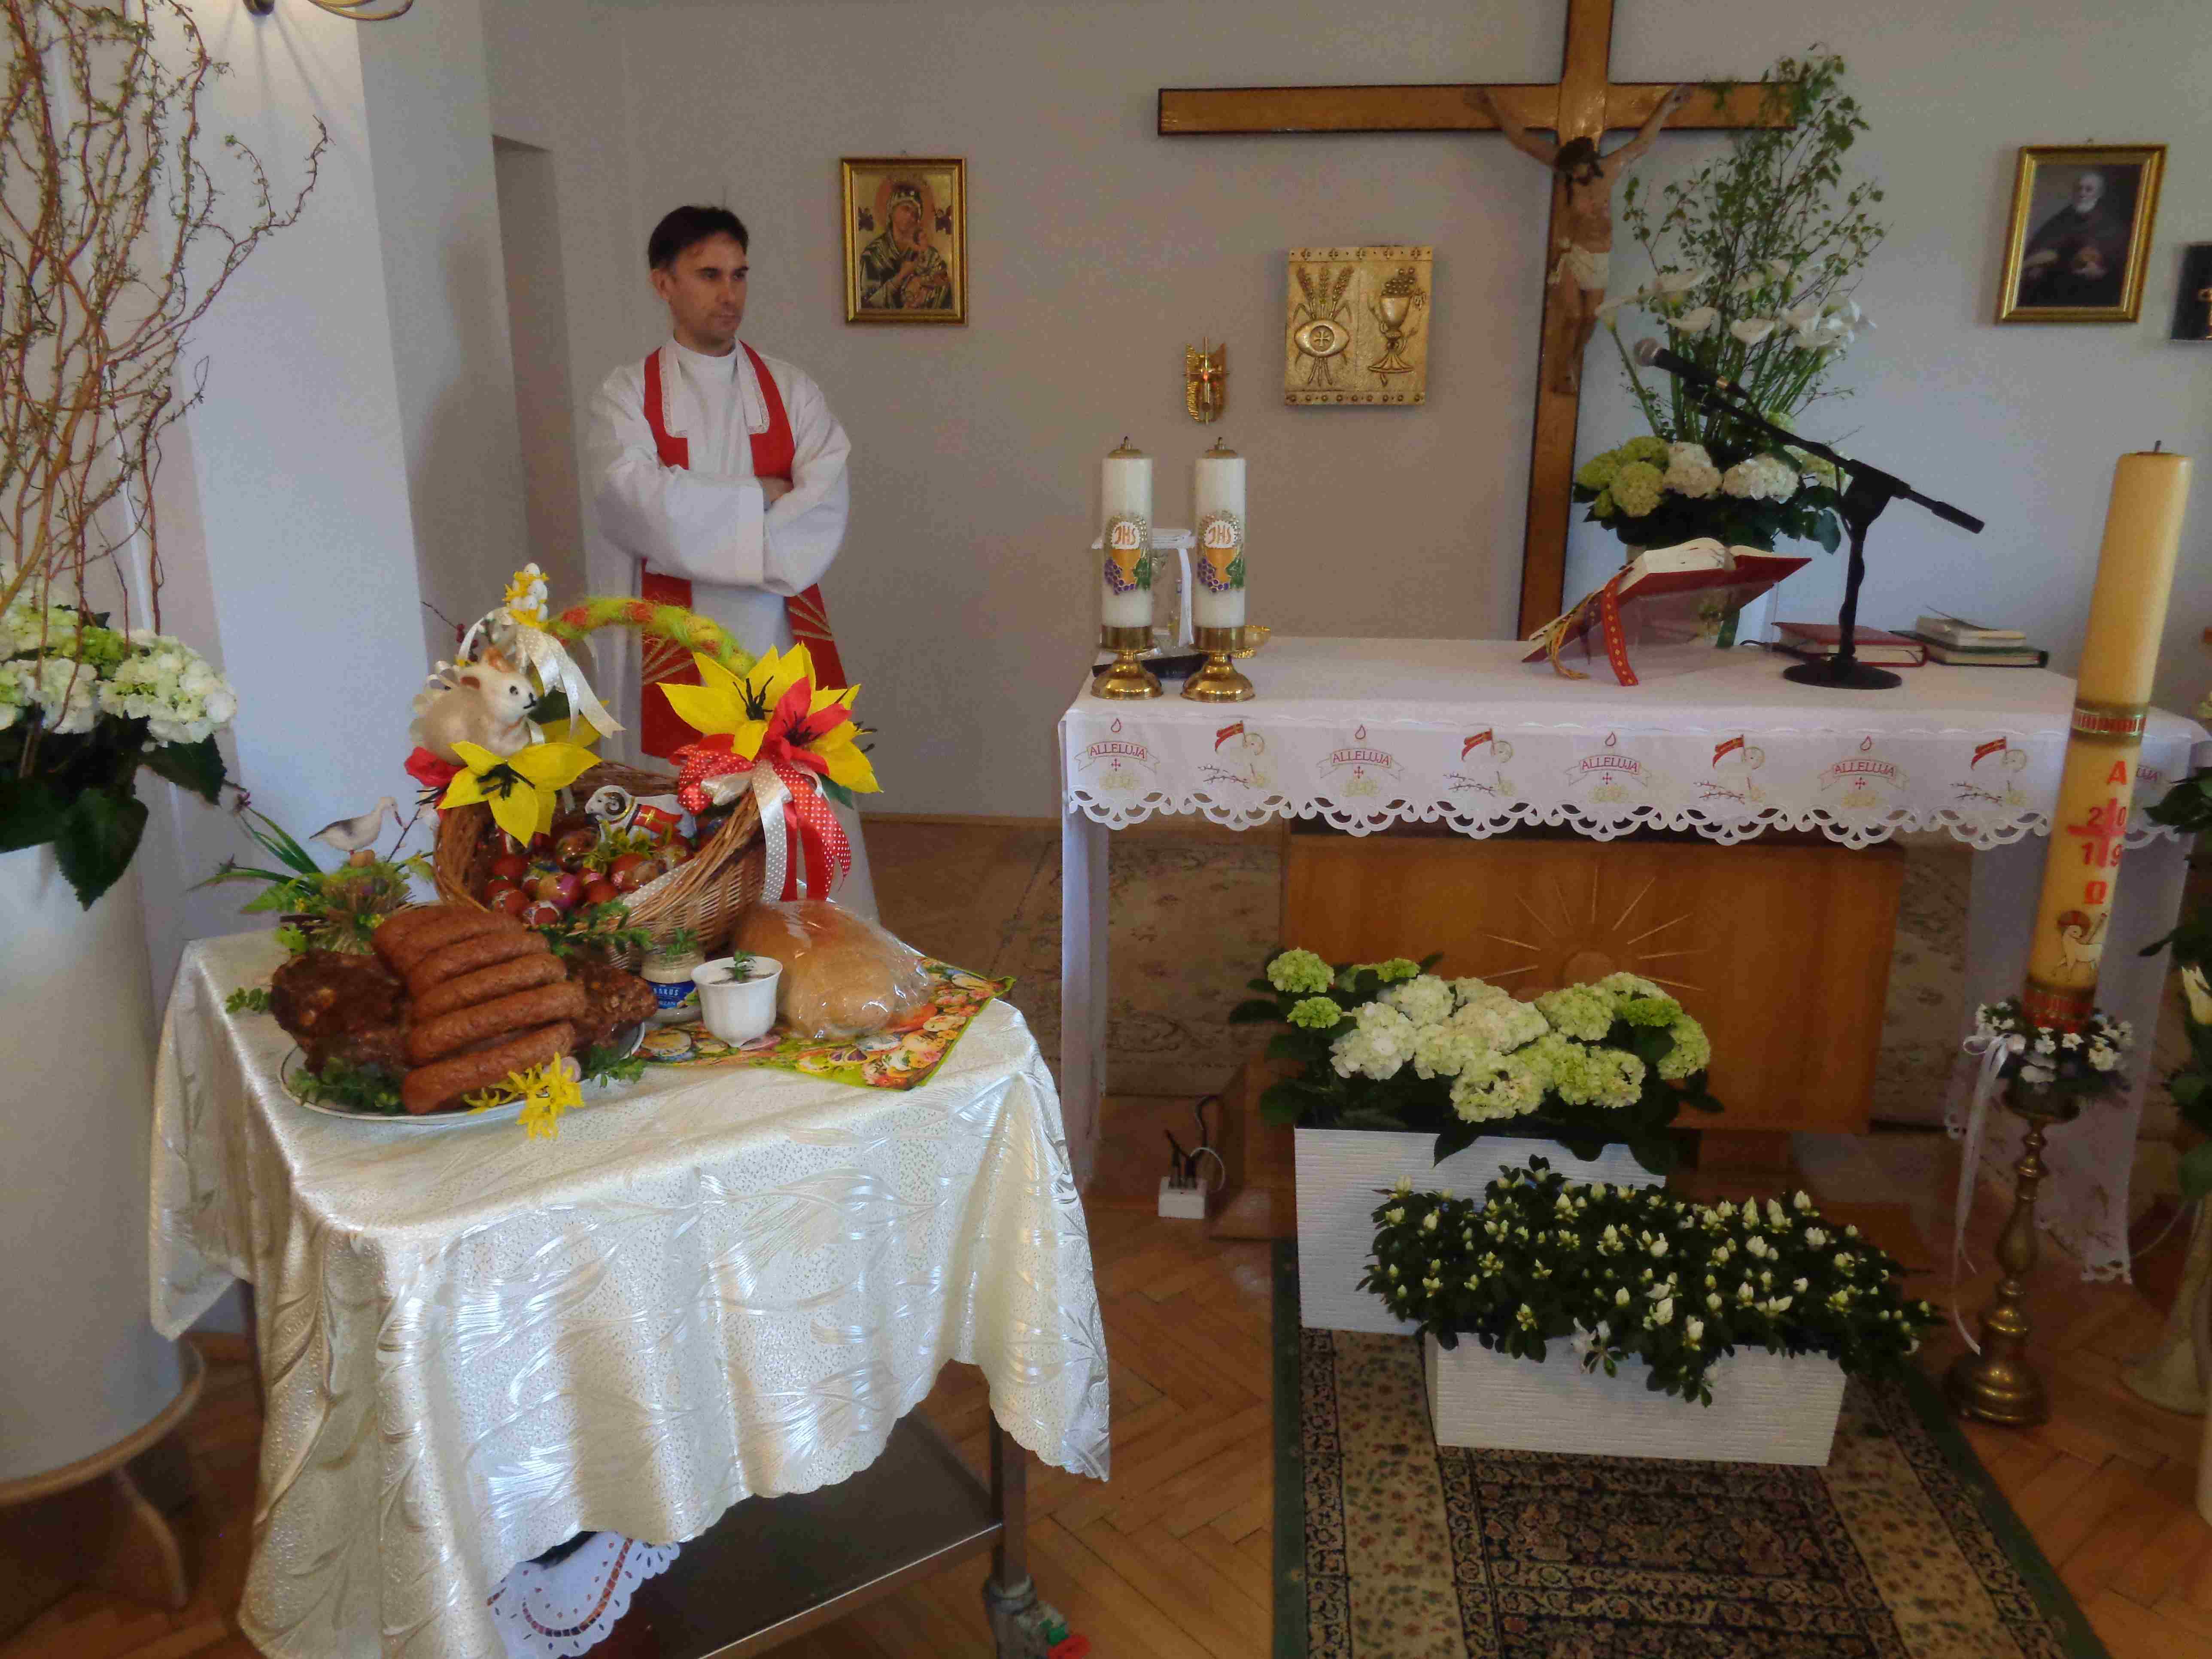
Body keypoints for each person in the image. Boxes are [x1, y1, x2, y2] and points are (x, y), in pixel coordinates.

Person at [586, 204, 877, 917]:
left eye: (740, 274)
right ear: (663, 282)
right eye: (709, 275)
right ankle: (684, 936)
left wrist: (701, 517)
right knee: (680, 808)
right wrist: (758, 497)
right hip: (674, 645)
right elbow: (634, 501)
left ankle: (810, 935)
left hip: (776, 631)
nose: (730, 294)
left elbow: (824, 501)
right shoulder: (627, 394)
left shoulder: (792, 390)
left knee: (789, 800)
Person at [1473, 84, 1689, 393]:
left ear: (1589, 162)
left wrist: (1667, 107)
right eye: (1570, 171)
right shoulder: (1563, 165)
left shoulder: (1610, 168)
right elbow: (1521, 139)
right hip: (1574, 254)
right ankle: (1564, 367)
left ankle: (1573, 359)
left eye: (1577, 170)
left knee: (1591, 317)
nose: (1573, 176)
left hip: (1600, 257)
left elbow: (1642, 144)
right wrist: (1492, 107)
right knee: (1573, 315)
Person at [2018, 170, 2130, 308]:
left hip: (2092, 290)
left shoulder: (2111, 225)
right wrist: (2035, 265)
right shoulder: (2061, 219)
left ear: (2099, 194)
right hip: (2055, 284)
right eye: (2079, 188)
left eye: (2088, 190)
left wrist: (2102, 270)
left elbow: (2118, 263)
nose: (2082, 193)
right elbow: (2041, 246)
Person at [855, 181, 952, 312]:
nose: (910, 216)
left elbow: (946, 293)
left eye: (915, 214)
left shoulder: (930, 255)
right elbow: (865, 305)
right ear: (891, 211)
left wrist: (925, 291)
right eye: (906, 209)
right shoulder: (873, 255)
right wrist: (901, 276)